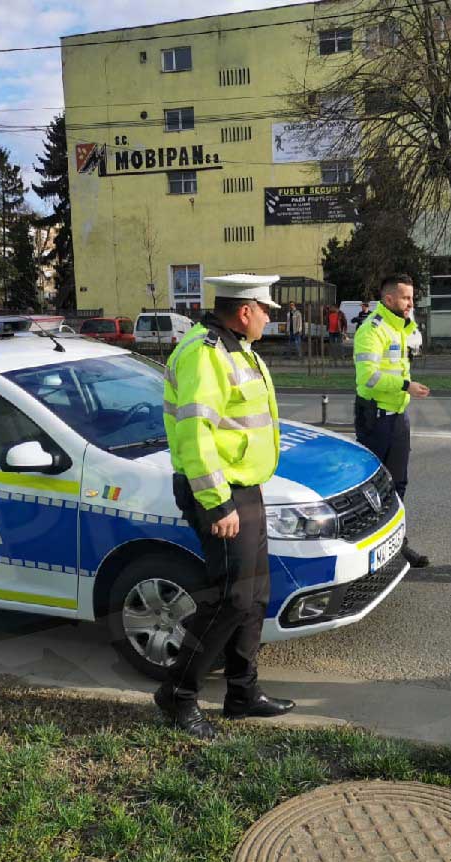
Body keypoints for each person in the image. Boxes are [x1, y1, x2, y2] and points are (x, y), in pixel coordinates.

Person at [154, 273, 295, 739]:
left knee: (254, 596)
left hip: (244, 489)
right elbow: (195, 437)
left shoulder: (239, 350)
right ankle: (177, 694)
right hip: (220, 494)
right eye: (266, 310)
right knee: (231, 598)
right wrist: (217, 504)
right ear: (245, 311)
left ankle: (242, 693)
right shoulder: (205, 354)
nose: (269, 318)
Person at [353, 274, 431, 568]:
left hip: (397, 417)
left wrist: (406, 388)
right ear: (388, 299)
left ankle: (397, 544)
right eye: (405, 298)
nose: (411, 303)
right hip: (375, 419)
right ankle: (368, 547)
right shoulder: (372, 330)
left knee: (398, 484)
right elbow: (368, 377)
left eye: (411, 298)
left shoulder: (400, 327)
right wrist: (405, 385)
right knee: (371, 488)